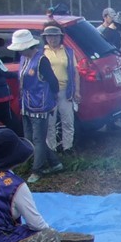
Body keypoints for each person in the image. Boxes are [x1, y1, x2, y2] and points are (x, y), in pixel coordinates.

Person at [8, 29, 62, 184]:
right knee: (30, 138)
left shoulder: (41, 60)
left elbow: (53, 81)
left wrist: (53, 98)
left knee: (38, 138)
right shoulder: (24, 59)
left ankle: (36, 170)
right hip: (26, 103)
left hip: (40, 104)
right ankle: (55, 163)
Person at [41, 23, 79, 153]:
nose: (53, 39)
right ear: (45, 38)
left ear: (60, 37)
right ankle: (51, 149)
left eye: (55, 36)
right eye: (49, 36)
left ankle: (67, 146)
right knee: (50, 123)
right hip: (49, 92)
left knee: (68, 120)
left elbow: (75, 72)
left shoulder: (68, 52)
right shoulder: (42, 52)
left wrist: (77, 91)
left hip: (65, 91)